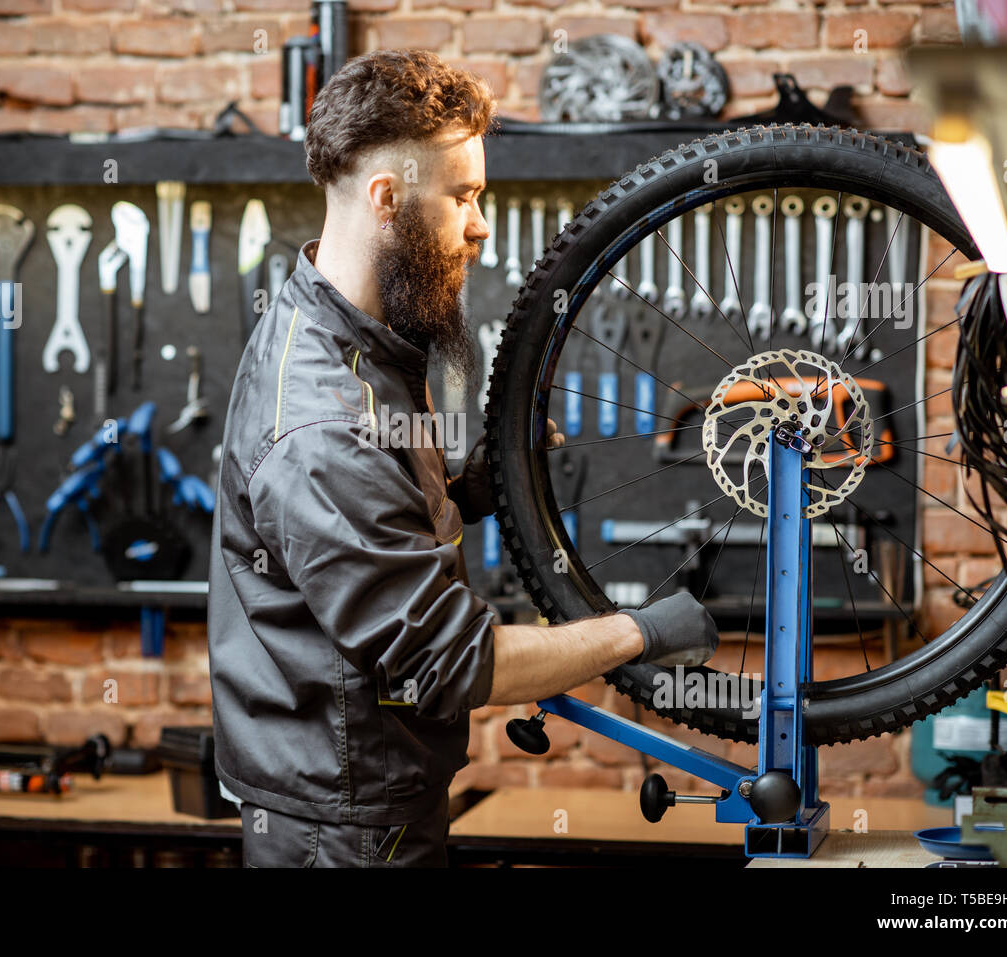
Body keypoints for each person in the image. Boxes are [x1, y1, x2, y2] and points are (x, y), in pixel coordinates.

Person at [207, 49, 719, 867]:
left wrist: (462, 487)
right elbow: (456, 658)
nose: (481, 223)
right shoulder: (320, 423)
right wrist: (641, 631)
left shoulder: (349, 333)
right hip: (341, 832)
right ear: (386, 199)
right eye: (463, 197)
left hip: (370, 795)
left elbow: (370, 515)